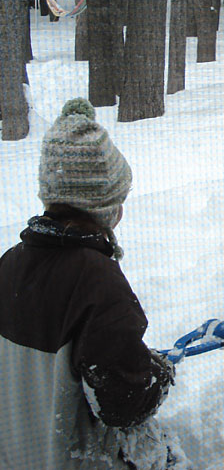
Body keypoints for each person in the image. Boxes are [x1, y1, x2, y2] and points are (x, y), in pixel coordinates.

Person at [0, 98, 187, 469]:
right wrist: (157, 374)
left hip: (13, 454)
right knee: (160, 451)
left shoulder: (10, 262)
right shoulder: (97, 283)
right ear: (103, 207)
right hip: (67, 460)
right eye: (119, 199)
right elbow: (123, 404)